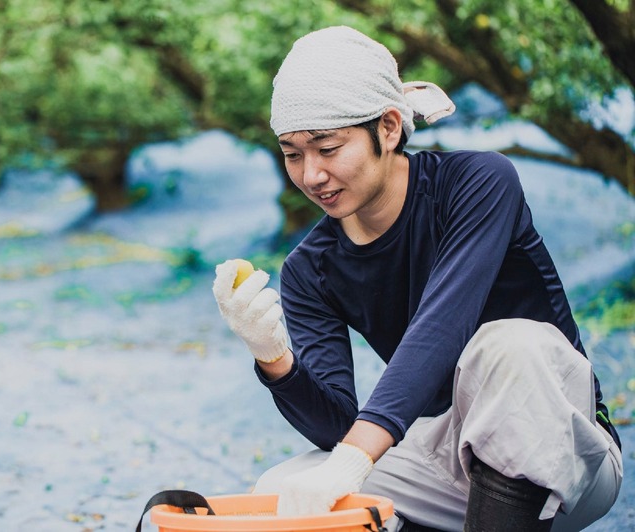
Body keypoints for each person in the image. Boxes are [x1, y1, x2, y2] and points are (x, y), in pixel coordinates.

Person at [212, 26, 623, 531]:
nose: (310, 175)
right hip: (445, 459)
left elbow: (442, 327)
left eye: (327, 147)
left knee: (509, 343)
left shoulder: (478, 184)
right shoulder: (310, 268)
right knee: (283, 496)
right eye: (292, 154)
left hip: (566, 455)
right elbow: (339, 427)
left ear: (387, 128)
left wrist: (350, 461)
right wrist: (274, 359)